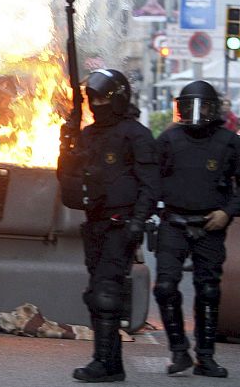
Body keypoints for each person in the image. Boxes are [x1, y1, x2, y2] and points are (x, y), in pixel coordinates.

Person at [57, 69, 159, 383]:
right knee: (96, 295)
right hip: (96, 223)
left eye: (102, 98)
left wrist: (138, 221)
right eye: (93, 98)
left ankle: (102, 363)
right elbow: (69, 178)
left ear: (118, 99)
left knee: (106, 292)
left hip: (122, 224)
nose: (97, 104)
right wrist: (66, 144)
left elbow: (150, 184)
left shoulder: (136, 135)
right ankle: (112, 364)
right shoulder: (88, 135)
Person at [153, 80, 238, 378]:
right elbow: (151, 180)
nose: (196, 114)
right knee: (165, 287)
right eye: (189, 107)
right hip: (173, 222)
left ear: (214, 109)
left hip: (210, 223)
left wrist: (227, 212)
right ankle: (179, 350)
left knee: (209, 290)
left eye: (202, 108)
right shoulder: (168, 139)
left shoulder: (229, 142)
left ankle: (206, 357)